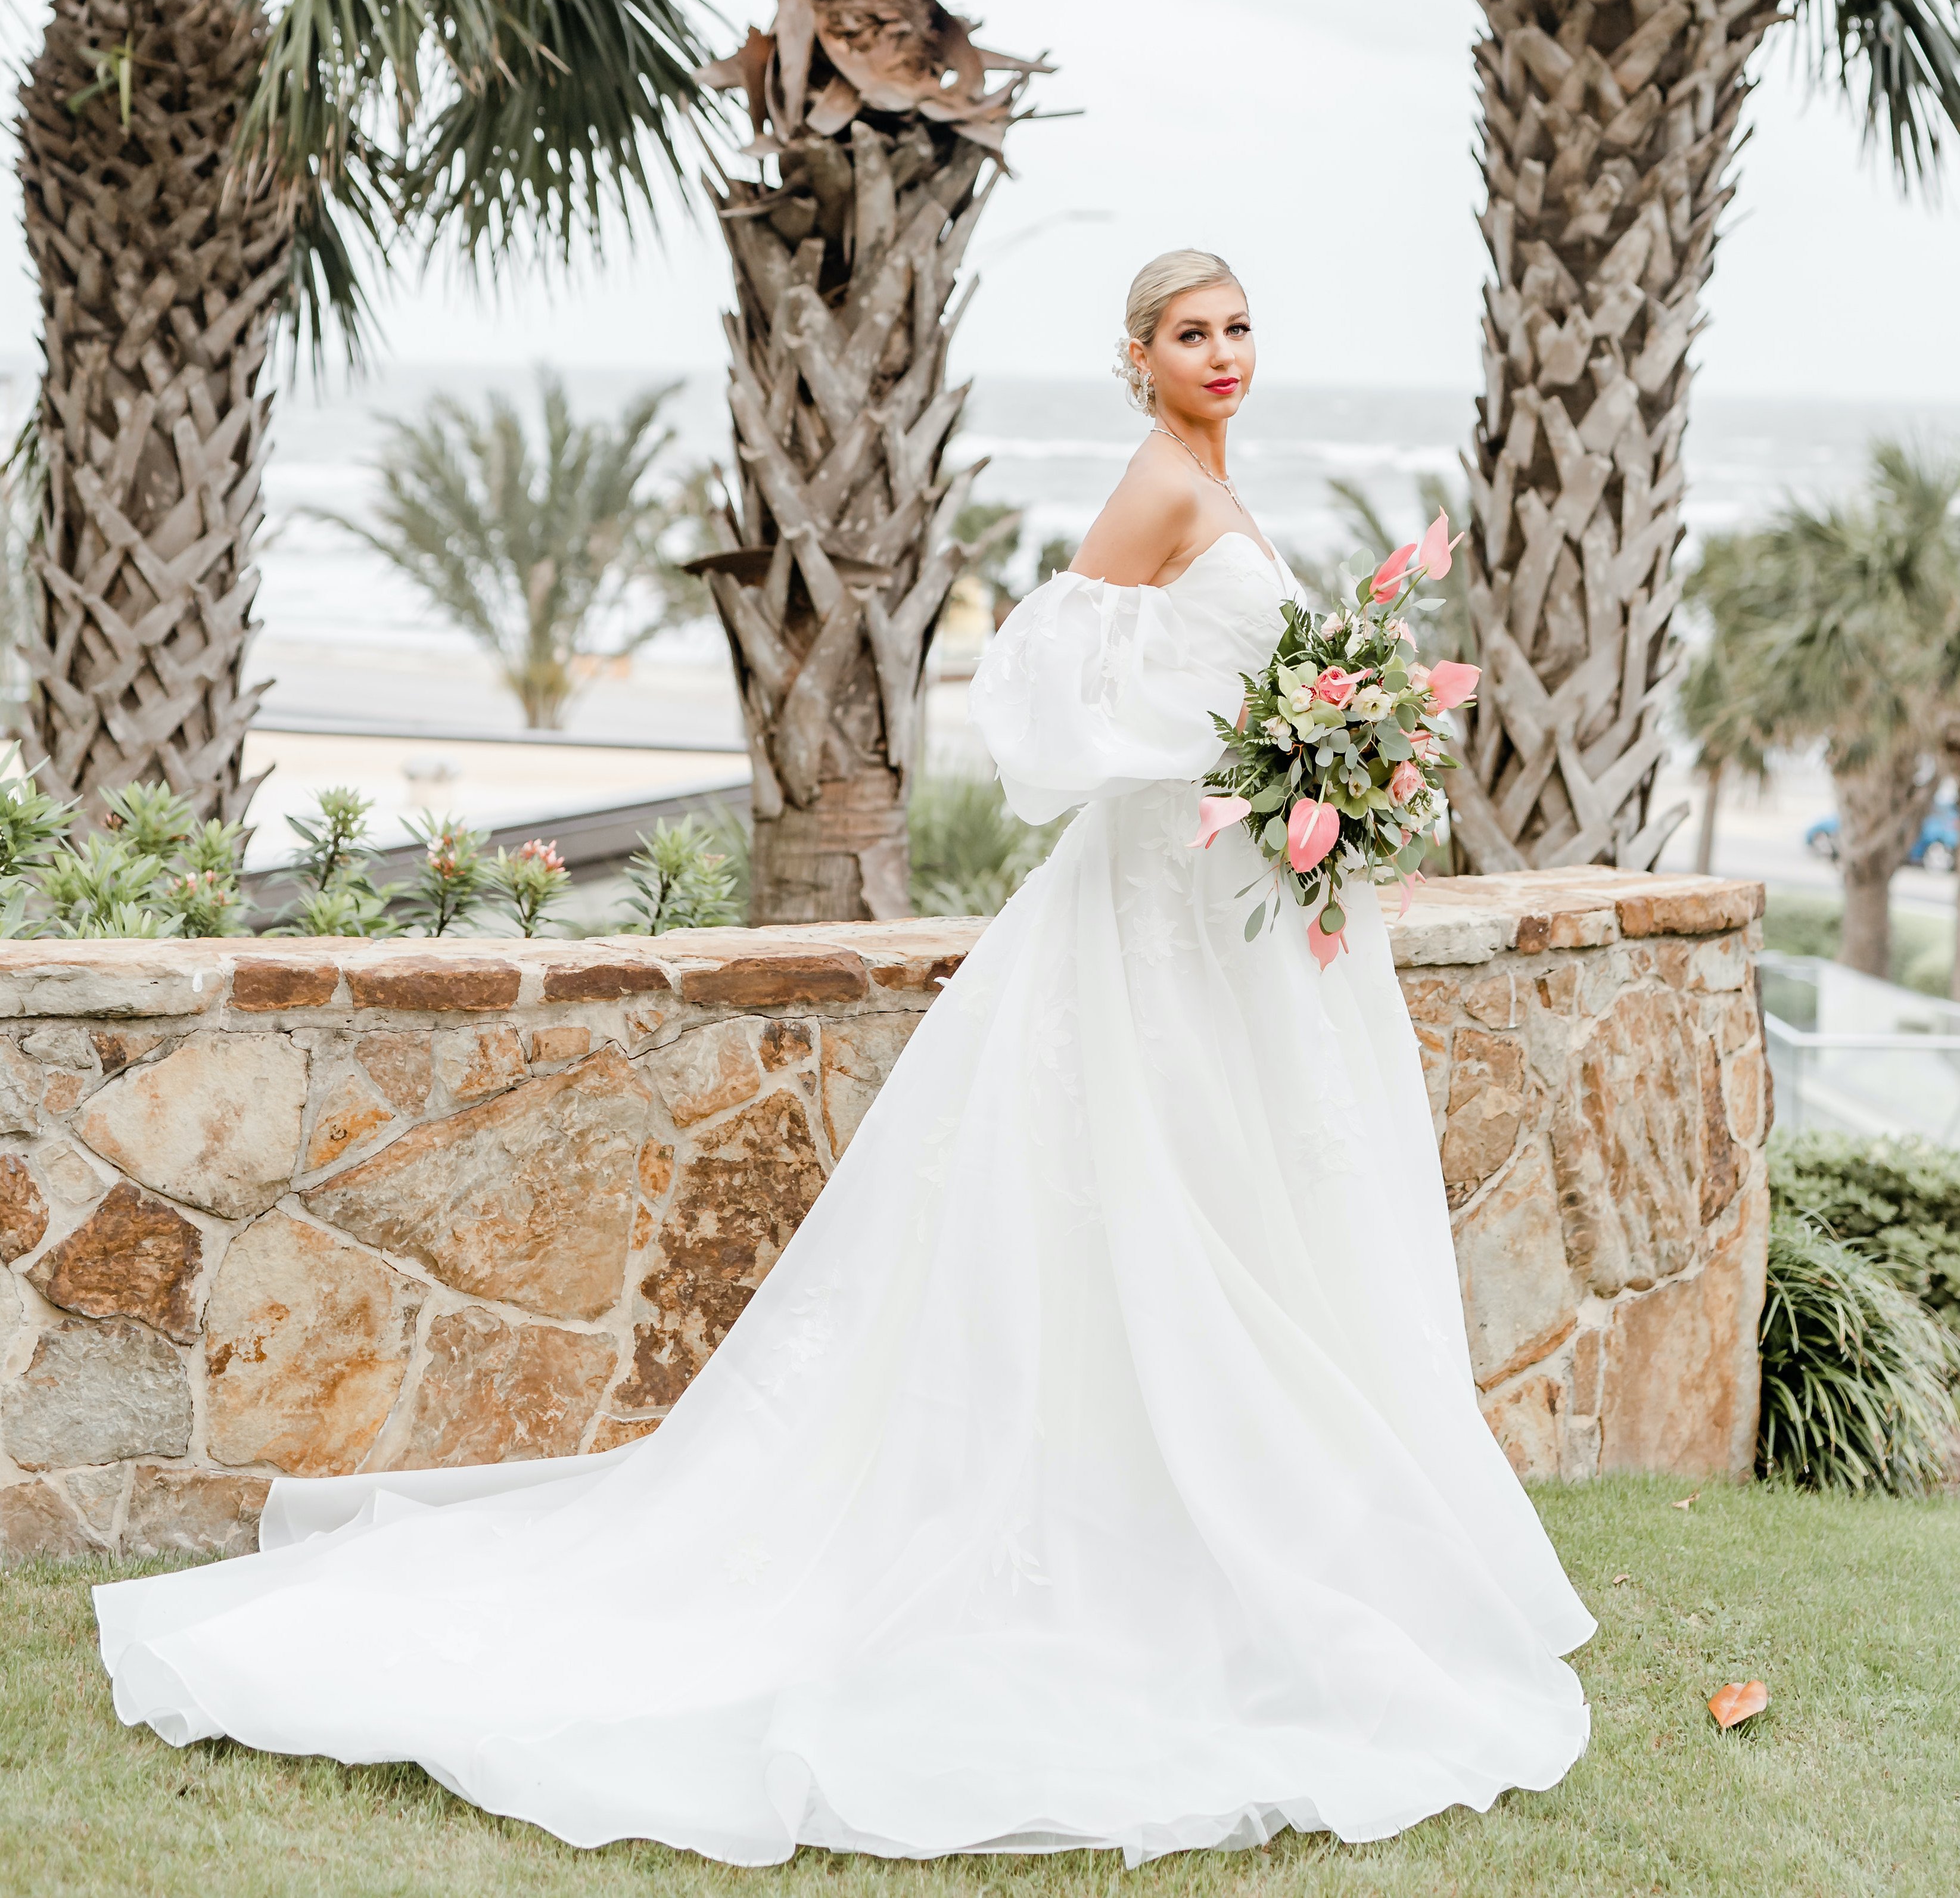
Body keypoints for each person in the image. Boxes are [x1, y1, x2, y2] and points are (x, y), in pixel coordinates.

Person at [94, 249, 1592, 1863]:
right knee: (1154, 1214)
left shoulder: (1212, 479)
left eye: (1237, 327)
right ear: (1136, 356)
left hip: (1236, 903)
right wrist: (1218, 755)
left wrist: (1314, 757)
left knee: (1243, 1213)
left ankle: (1260, 1550)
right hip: (1154, 898)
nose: (1220, 354)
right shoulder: (1159, 484)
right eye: (1188, 334)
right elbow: (1039, 681)